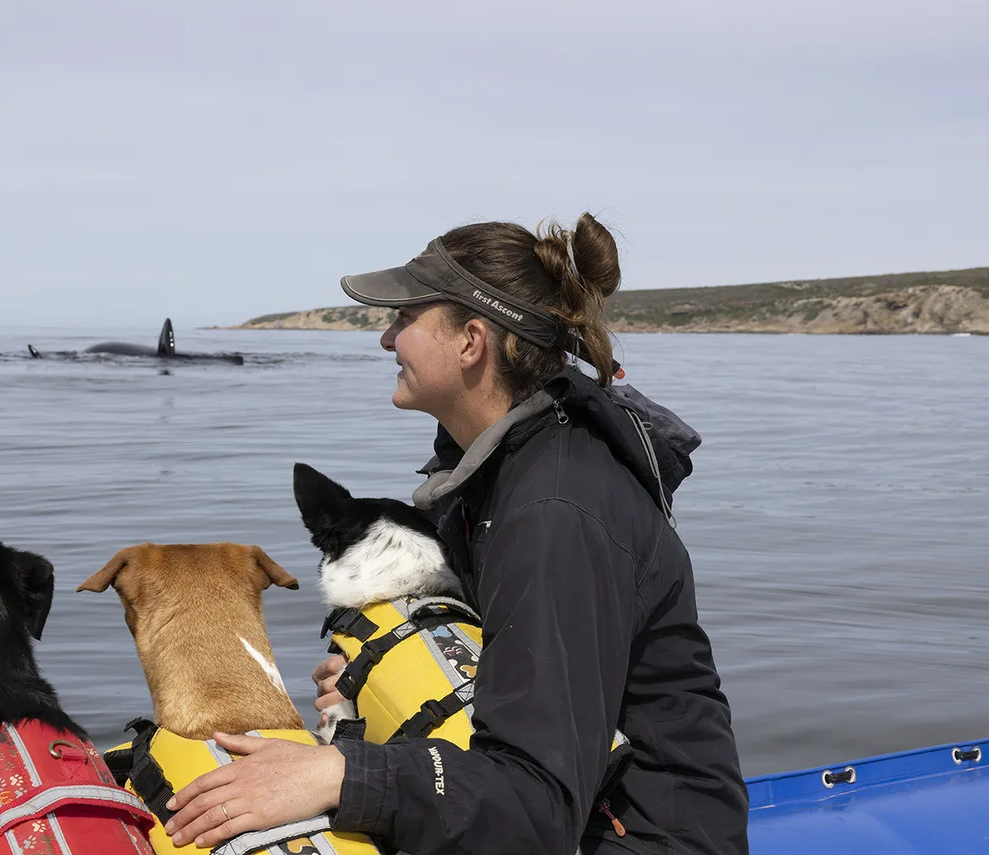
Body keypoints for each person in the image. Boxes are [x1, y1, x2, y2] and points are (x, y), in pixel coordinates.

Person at [162, 214, 749, 855]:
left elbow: (538, 807)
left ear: (471, 342)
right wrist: (381, 679)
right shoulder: (498, 472)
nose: (387, 339)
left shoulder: (553, 511)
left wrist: (340, 773)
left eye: (404, 318)